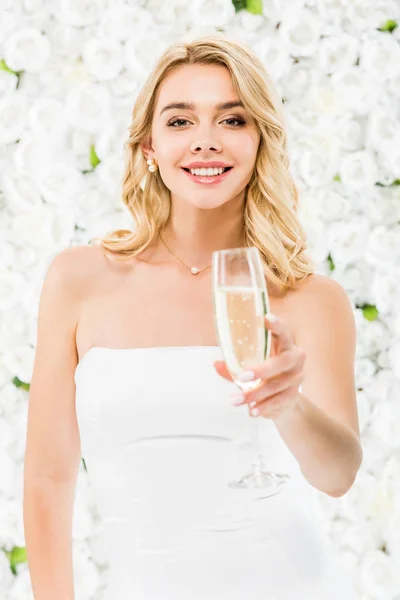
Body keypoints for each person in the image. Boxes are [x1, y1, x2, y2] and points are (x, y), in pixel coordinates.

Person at [24, 34, 362, 599]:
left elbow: (339, 476)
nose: (206, 141)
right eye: (180, 122)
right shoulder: (78, 281)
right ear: (149, 147)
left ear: (260, 142)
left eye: (232, 120)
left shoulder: (312, 299)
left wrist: (289, 405)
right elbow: (47, 479)